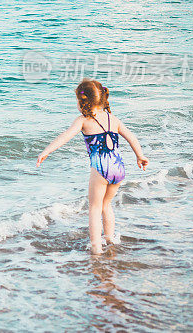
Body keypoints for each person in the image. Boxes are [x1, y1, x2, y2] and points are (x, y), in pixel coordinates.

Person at [35, 79, 148, 254]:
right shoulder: (113, 118)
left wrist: (46, 151)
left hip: (101, 169)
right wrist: (140, 156)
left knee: (94, 208)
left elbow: (65, 136)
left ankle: (96, 248)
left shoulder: (83, 120)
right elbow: (131, 136)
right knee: (106, 205)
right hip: (118, 168)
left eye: (77, 102)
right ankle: (110, 240)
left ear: (83, 102)